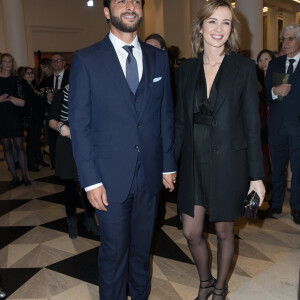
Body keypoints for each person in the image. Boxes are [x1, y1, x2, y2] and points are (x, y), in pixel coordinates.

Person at [68, 0, 176, 299]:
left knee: (142, 253)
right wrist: (90, 180)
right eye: (120, 0)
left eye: (136, 1)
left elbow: (165, 115)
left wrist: (168, 164)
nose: (130, 5)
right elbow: (80, 125)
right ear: (107, 11)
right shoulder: (87, 59)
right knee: (114, 255)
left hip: (150, 174)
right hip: (108, 178)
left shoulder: (158, 58)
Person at [175, 1, 265, 299]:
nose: (219, 29)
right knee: (190, 231)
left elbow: (252, 126)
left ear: (232, 29)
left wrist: (256, 177)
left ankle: (221, 285)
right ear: (200, 26)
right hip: (192, 161)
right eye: (212, 21)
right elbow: (179, 123)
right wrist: (168, 165)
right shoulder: (186, 69)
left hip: (229, 162)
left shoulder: (243, 68)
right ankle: (204, 280)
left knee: (225, 231)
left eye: (226, 23)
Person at [49, 85, 99, 239]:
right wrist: (61, 126)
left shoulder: (90, 89)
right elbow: (51, 120)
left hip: (87, 140)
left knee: (88, 183)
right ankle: (71, 220)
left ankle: (90, 220)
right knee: (70, 186)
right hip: (67, 141)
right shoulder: (61, 94)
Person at [264, 23, 300, 225]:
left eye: (290, 39)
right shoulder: (276, 64)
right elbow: (265, 95)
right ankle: (276, 204)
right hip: (277, 126)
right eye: (283, 39)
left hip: (297, 127)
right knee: (277, 168)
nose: (285, 43)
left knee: (299, 169)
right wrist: (274, 92)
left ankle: (297, 207)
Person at [0, 53, 30, 188]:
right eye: (5, 61)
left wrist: (11, 98)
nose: (7, 64)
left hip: (15, 118)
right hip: (1, 119)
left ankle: (24, 176)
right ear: (1, 63)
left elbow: (23, 103)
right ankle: (14, 177)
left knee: (20, 147)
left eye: (10, 62)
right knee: (6, 148)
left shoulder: (16, 80)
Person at [43, 53, 69, 169]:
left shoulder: (72, 77)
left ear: (64, 62)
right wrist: (48, 100)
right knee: (53, 145)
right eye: (53, 61)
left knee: (67, 147)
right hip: (53, 118)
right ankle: (57, 169)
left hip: (68, 117)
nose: (55, 63)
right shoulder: (46, 81)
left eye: (58, 60)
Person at [21, 67, 49, 172]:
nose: (30, 75)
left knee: (36, 140)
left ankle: (39, 160)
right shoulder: (24, 86)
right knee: (31, 142)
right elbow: (30, 101)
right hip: (31, 117)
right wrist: (39, 94)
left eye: (31, 73)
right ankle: (31, 164)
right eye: (27, 73)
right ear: (23, 75)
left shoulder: (31, 85)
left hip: (36, 117)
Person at [257, 49, 274, 196]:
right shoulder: (256, 76)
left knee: (271, 153)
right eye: (261, 59)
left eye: (266, 59)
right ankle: (266, 181)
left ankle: (272, 182)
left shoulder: (276, 77)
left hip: (271, 119)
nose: (263, 62)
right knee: (262, 152)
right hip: (259, 119)